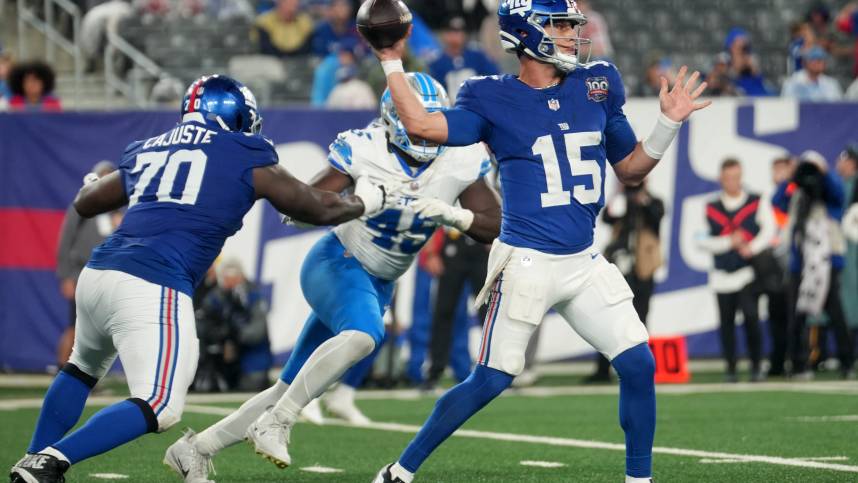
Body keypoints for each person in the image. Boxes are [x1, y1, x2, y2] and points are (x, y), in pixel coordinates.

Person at [370, 1, 711, 481]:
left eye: (573, 23)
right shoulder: (489, 95)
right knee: (491, 378)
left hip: (583, 260)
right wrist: (390, 59)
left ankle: (640, 479)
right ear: (525, 33)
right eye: (561, 24)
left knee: (638, 363)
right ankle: (400, 471)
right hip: (527, 261)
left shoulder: (598, 83)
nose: (575, 32)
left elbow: (630, 170)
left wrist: (668, 124)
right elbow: (423, 126)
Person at [9, 74, 387, 483]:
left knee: (82, 369)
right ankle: (50, 461)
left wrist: (92, 182)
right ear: (236, 115)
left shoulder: (152, 145)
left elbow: (87, 202)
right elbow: (317, 208)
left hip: (98, 275)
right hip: (153, 282)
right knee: (160, 405)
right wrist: (365, 202)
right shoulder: (244, 151)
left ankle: (32, 458)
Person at [163, 72, 501, 481]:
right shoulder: (366, 147)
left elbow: (494, 223)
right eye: (416, 118)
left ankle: (195, 450)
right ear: (395, 119)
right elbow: (299, 207)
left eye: (432, 118)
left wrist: (455, 215)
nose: (426, 132)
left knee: (286, 386)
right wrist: (360, 202)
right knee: (363, 336)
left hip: (379, 281)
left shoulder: (460, 155)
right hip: (339, 261)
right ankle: (279, 421)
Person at [775, 151, 855, 379]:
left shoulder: (830, 199)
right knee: (797, 316)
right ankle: (798, 364)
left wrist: (823, 170)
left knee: (836, 315)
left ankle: (847, 363)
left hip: (827, 264)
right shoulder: (796, 196)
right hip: (800, 264)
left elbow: (839, 194)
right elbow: (776, 201)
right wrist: (793, 176)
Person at [698, 159, 775, 382]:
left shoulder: (756, 201)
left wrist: (752, 247)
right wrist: (728, 242)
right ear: (721, 179)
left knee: (752, 319)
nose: (732, 182)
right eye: (728, 177)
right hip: (721, 276)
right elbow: (700, 239)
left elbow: (769, 229)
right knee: (727, 325)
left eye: (736, 177)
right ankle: (731, 368)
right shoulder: (710, 206)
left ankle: (756, 365)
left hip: (747, 274)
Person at [588, 181, 664, 383]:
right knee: (607, 317)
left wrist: (643, 201)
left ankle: (638, 368)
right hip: (618, 267)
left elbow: (656, 218)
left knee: (640, 320)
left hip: (643, 268)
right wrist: (619, 197)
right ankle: (602, 370)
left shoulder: (654, 202)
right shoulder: (621, 201)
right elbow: (607, 218)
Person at [55, 161, 120, 368]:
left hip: (105, 274)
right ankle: (61, 368)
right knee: (75, 325)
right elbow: (66, 240)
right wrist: (66, 275)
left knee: (96, 329)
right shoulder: (83, 203)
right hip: (81, 273)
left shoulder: (117, 212)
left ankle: (86, 372)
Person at [428, 16, 499, 100]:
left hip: (478, 105)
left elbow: (495, 78)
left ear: (465, 34)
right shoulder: (437, 61)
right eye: (450, 32)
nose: (455, 36)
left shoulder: (477, 55)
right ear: (444, 34)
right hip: (450, 108)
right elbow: (434, 91)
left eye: (458, 32)